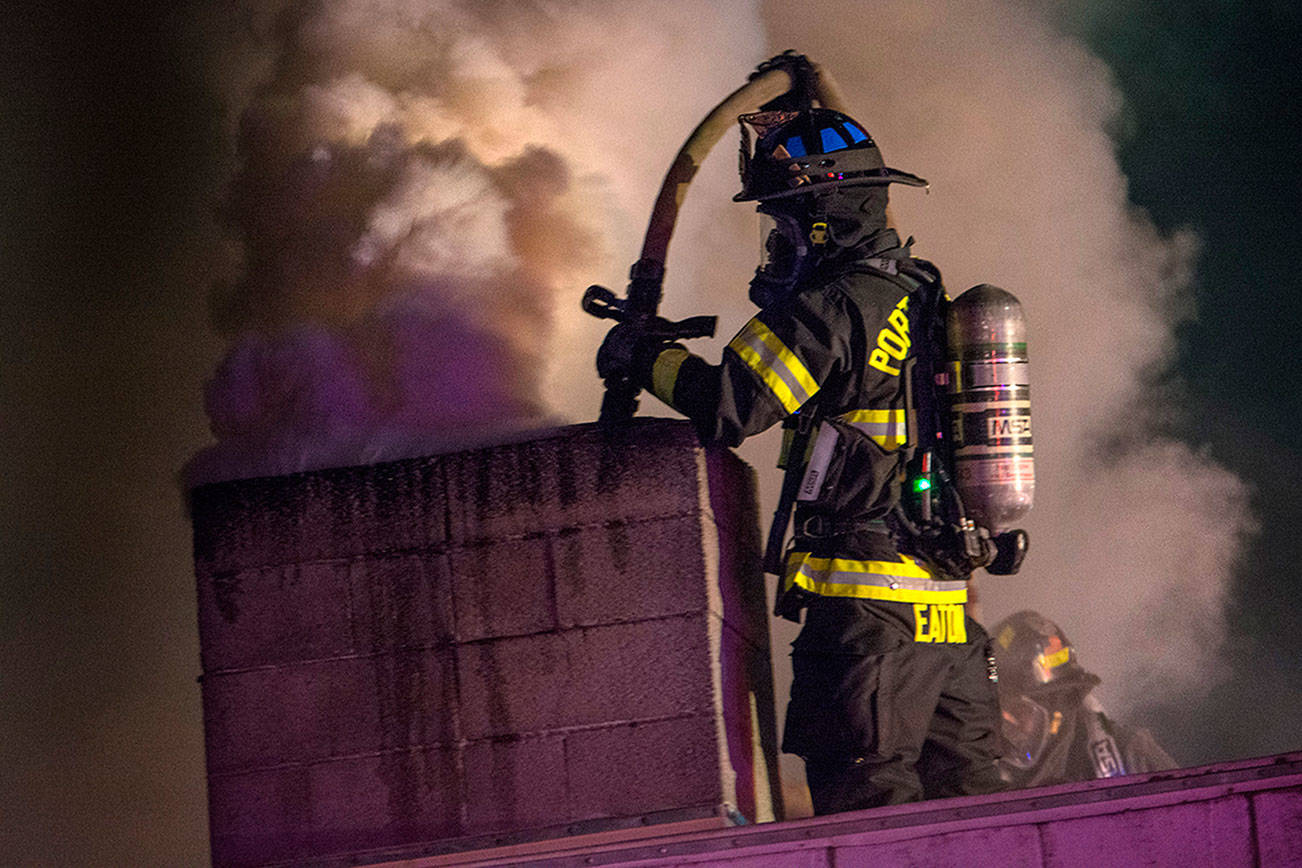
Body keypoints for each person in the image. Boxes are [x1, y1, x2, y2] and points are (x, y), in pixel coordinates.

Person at [598, 105, 1006, 812]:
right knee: (975, 822)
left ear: (821, 220)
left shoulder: (832, 307)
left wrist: (646, 357)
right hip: (950, 626)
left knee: (869, 819)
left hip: (868, 621)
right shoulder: (927, 294)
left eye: (783, 224)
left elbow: (732, 404)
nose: (778, 243)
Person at [990, 610, 1178, 788]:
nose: (1005, 719)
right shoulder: (983, 773)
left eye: (1017, 710)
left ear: (1058, 712)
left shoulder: (1133, 757)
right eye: (999, 708)